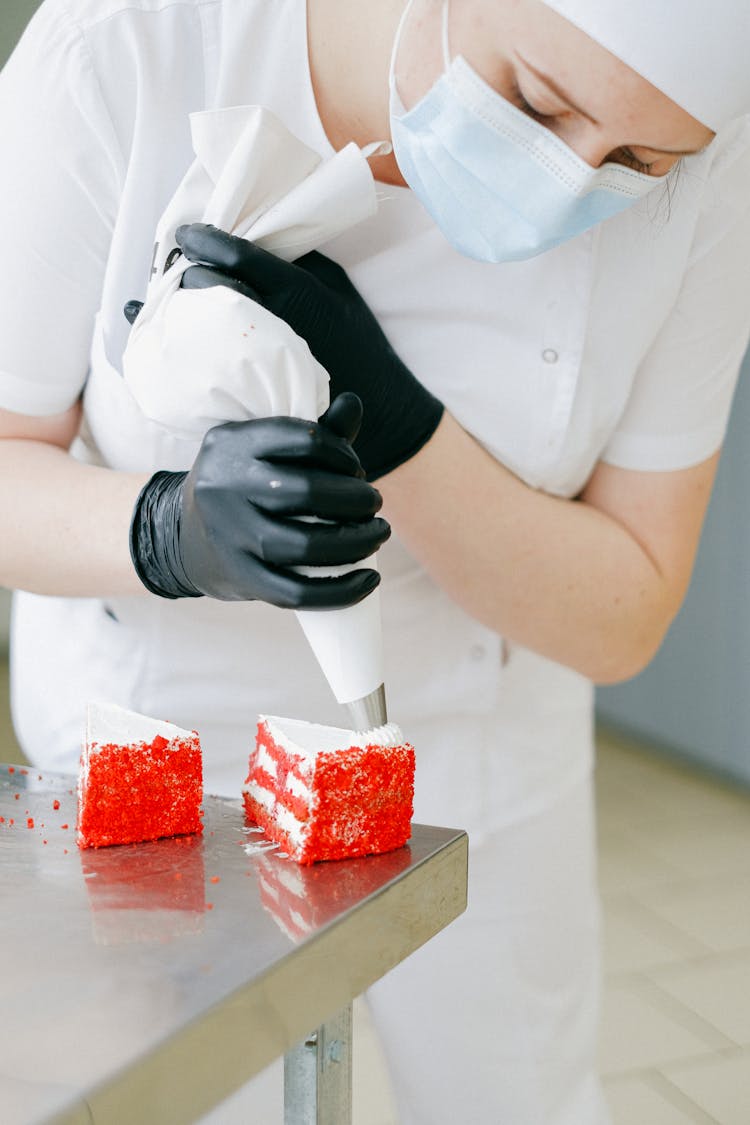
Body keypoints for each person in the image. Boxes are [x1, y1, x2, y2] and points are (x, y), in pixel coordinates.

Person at [1, 0, 749, 1121]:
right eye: (540, 101)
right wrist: (168, 530)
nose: (569, 178)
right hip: (164, 765)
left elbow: (625, 613)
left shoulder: (715, 173)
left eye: (637, 162)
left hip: (483, 751)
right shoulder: (127, 49)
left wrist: (394, 421)